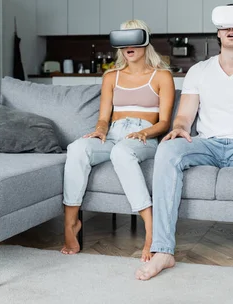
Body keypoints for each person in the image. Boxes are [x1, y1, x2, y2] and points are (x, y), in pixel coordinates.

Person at [135, 4, 233, 294]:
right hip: (206, 142)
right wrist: (179, 127)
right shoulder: (199, 71)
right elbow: (184, 116)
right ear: (218, 32)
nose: (231, 30)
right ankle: (163, 251)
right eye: (225, 26)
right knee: (167, 151)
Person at [61, 19, 175, 263]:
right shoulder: (111, 76)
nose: (128, 46)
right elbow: (104, 118)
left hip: (143, 135)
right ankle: (71, 224)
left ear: (144, 40)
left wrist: (147, 132)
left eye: (133, 39)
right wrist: (100, 130)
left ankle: (151, 227)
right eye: (123, 41)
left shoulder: (162, 76)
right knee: (77, 148)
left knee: (122, 153)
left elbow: (164, 122)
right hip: (113, 134)